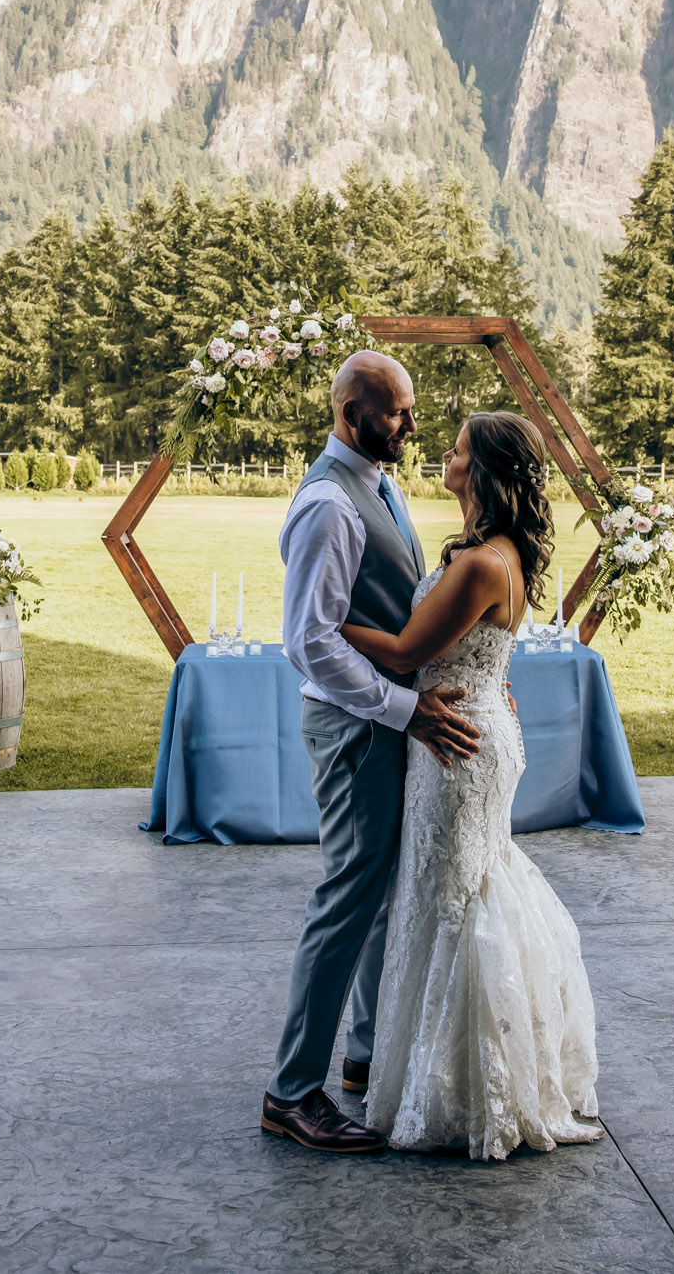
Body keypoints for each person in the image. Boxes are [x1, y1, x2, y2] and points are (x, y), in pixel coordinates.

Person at [341, 410, 603, 1159]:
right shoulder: (491, 556)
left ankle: (463, 1086)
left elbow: (401, 651)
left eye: (456, 448)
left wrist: (318, 623)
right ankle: (440, 1068)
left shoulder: (485, 562)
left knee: (454, 896)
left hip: (456, 744)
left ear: (480, 471)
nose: (443, 452)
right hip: (472, 727)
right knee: (449, 888)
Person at [261, 351, 481, 1155]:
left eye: (412, 408)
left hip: (380, 723)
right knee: (347, 898)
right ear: (352, 413)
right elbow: (309, 642)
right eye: (395, 411)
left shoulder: (376, 485)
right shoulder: (328, 503)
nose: (411, 424)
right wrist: (406, 710)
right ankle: (290, 1093)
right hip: (355, 729)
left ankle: (363, 1052)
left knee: (380, 891)